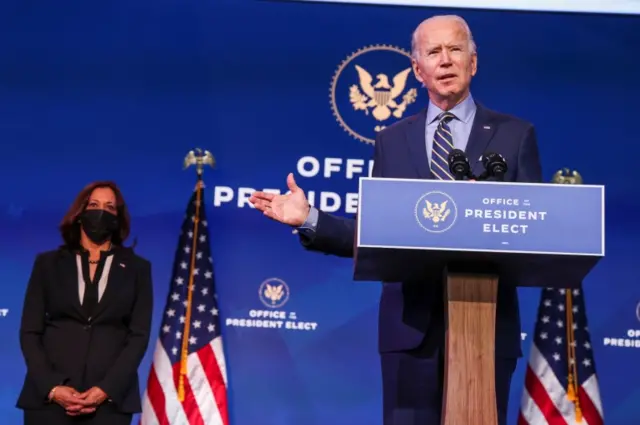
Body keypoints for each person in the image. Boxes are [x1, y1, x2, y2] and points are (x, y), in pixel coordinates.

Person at [249, 14, 542, 425]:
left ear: (473, 63)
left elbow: (535, 230)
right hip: (409, 329)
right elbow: (375, 230)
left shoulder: (515, 135)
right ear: (416, 69)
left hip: (486, 326)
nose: (445, 60)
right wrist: (309, 217)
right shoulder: (391, 141)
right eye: (433, 52)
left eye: (456, 49)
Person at [16, 181, 154, 425]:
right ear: (79, 214)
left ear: (118, 217)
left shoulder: (137, 269)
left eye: (110, 207)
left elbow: (138, 336)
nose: (101, 212)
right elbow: (30, 331)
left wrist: (106, 389)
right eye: (94, 205)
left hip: (109, 403)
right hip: (48, 402)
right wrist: (51, 387)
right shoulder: (48, 264)